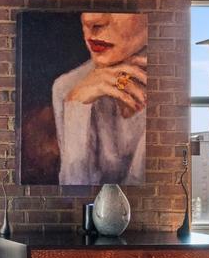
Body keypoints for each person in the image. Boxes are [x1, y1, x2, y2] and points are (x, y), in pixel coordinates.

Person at [52, 11, 148, 184]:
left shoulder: (169, 88)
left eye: (117, 8)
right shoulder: (68, 87)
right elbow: (73, 190)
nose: (90, 20)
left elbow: (146, 194)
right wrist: (76, 108)